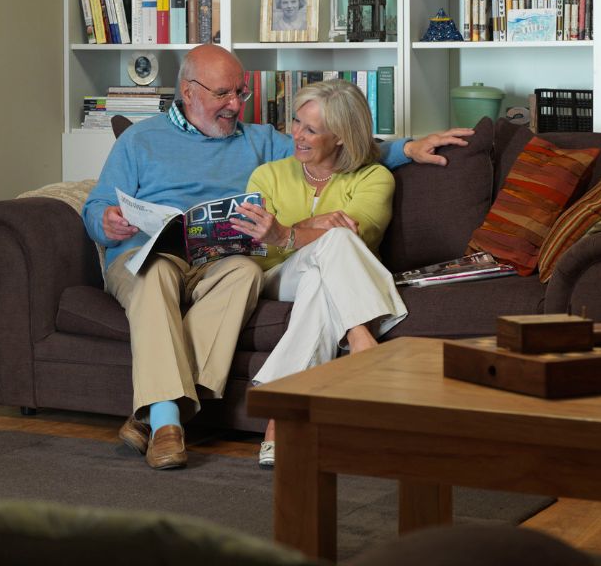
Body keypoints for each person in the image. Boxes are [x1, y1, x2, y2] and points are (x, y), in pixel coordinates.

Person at [82, 44, 471, 470]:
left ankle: (158, 407)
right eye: (223, 95)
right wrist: (108, 220)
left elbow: (339, 147)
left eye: (240, 94)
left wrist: (408, 149)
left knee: (245, 271)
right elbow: (96, 207)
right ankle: (165, 419)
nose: (235, 106)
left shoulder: (260, 142)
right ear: (189, 91)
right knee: (155, 273)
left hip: (214, 258)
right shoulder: (140, 139)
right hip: (145, 253)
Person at [229, 79, 408, 470]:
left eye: (310, 129)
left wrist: (287, 232)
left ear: (341, 136)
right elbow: (259, 254)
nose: (296, 135)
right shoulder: (267, 176)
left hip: (327, 278)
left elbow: (358, 237)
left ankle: (281, 415)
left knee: (328, 262)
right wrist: (301, 230)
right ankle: (361, 339)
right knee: (330, 245)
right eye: (295, 122)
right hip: (279, 277)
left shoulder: (374, 178)